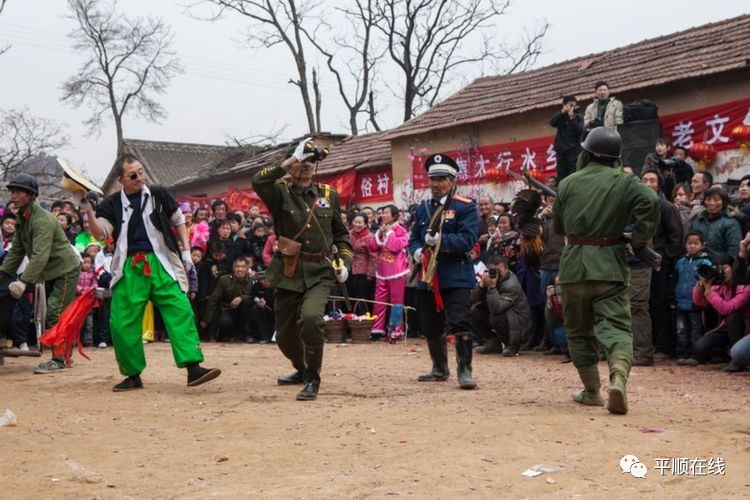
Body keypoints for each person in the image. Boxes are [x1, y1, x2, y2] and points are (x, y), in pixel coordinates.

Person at [81, 153, 221, 391]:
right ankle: (132, 374)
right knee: (122, 322)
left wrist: (186, 252)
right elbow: (102, 233)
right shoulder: (112, 203)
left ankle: (193, 369)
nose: (139, 178)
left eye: (141, 172)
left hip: (161, 261)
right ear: (121, 179)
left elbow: (178, 220)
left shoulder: (158, 194)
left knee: (180, 308)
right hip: (129, 266)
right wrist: (89, 212)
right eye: (133, 175)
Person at [553, 127, 660, 415]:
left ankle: (591, 392)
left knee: (578, 332)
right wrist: (638, 240)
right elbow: (650, 202)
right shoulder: (625, 181)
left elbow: (560, 229)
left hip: (574, 266)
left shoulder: (566, 183)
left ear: (586, 152)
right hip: (610, 265)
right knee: (617, 329)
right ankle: (618, 380)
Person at [252, 138, 352, 401]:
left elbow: (341, 235)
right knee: (285, 337)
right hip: (289, 270)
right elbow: (257, 182)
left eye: (311, 161)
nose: (307, 166)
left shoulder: (328, 195)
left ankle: (312, 379)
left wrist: (344, 261)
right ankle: (301, 367)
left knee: (310, 319)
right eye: (301, 161)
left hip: (320, 270)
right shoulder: (280, 191)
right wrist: (290, 160)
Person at [408, 152, 479, 390]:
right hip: (428, 276)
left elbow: (468, 240)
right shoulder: (422, 209)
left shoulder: (465, 207)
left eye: (441, 179)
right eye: (433, 179)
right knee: (430, 324)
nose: (436, 184)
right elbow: (414, 239)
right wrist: (418, 251)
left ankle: (465, 371)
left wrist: (440, 240)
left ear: (452, 180)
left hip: (455, 275)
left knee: (461, 323)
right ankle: (439, 368)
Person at [0, 174, 81, 373]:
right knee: (53, 312)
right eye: (12, 191)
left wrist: (23, 281)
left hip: (64, 269)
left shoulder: (42, 220)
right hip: (49, 272)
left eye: (18, 191)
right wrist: (2, 273)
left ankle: (59, 360)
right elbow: (18, 250)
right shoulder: (22, 217)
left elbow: (39, 256)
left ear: (30, 195)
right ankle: (63, 353)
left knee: (55, 312)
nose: (14, 195)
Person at [641, 169, 684, 360]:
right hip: (641, 263)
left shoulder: (667, 207)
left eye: (652, 180)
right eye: (644, 180)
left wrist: (665, 258)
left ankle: (663, 347)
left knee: (660, 304)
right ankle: (646, 344)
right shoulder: (638, 206)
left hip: (660, 263)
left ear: (658, 184)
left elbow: (676, 237)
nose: (648, 184)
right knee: (643, 304)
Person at [471, 255, 531, 356]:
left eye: (499, 270)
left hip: (519, 324)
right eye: (492, 270)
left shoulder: (511, 284)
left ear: (506, 269)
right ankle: (494, 343)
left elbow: (497, 308)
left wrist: (492, 287)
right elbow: (473, 299)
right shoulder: (489, 278)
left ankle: (511, 346)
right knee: (475, 312)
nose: (496, 273)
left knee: (496, 317)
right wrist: (481, 285)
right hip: (508, 317)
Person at [369, 204, 409, 338]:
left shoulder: (401, 230)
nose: (383, 215)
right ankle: (377, 329)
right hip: (382, 270)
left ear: (394, 216)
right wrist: (379, 233)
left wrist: (389, 233)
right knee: (379, 300)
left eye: (386, 213)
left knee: (396, 301)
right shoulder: (380, 229)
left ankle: (395, 329)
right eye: (383, 213)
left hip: (397, 270)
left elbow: (395, 246)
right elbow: (373, 247)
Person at [673, 231, 712, 365]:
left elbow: (708, 283)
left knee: (696, 330)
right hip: (680, 303)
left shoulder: (705, 262)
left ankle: (696, 355)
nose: (692, 246)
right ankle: (682, 354)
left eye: (696, 243)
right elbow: (675, 280)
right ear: (685, 245)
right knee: (681, 330)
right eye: (689, 243)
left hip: (696, 304)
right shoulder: (680, 262)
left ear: (702, 245)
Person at [201, 256, 254, 343]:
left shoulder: (252, 280)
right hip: (227, 308)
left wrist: (241, 298)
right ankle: (233, 336)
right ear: (233, 268)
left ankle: (247, 334)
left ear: (247, 269)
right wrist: (206, 319)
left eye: (243, 267)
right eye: (237, 267)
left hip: (244, 310)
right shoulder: (224, 279)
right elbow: (214, 299)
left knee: (248, 303)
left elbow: (253, 295)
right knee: (224, 321)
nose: (239, 269)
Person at [689, 187, 742, 260]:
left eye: (716, 200)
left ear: (724, 203)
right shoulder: (698, 221)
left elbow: (734, 252)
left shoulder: (732, 223)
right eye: (708, 200)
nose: (711, 203)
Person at [550, 95, 584, 180]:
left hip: (573, 151)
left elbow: (579, 131)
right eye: (570, 106)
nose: (572, 108)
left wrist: (572, 118)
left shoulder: (578, 116)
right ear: (564, 105)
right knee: (561, 175)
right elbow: (552, 123)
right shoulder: (561, 116)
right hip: (561, 150)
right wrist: (562, 112)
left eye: (574, 105)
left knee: (573, 174)